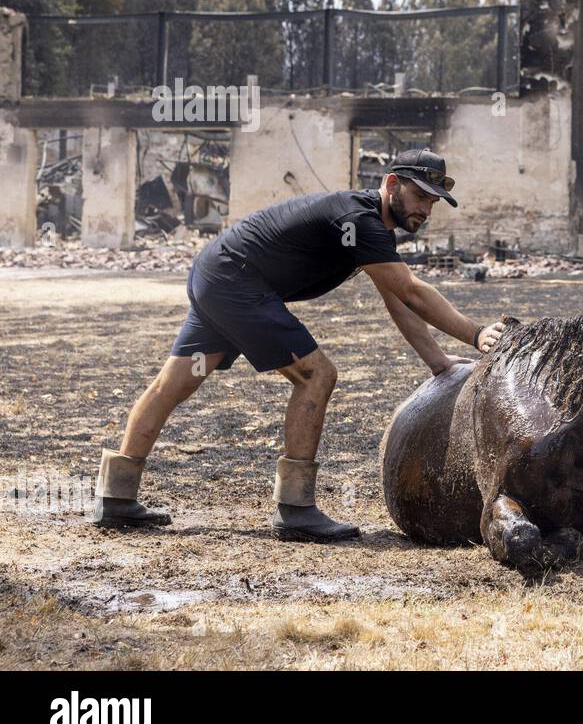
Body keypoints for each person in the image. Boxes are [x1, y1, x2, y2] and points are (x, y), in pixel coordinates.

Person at [94, 149, 505, 543]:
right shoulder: (358, 220)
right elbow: (412, 291)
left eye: (433, 202)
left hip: (217, 274)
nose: (426, 209)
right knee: (317, 375)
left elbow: (396, 297)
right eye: (419, 196)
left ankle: (116, 493)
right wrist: (474, 333)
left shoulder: (369, 229)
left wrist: (436, 361)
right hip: (237, 282)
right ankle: (295, 508)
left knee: (178, 382)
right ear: (391, 183)